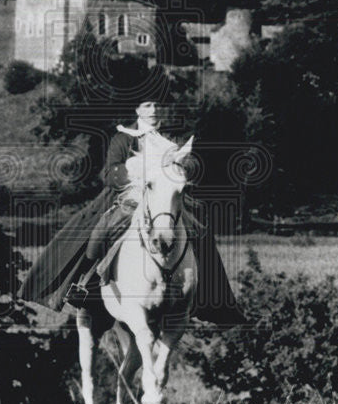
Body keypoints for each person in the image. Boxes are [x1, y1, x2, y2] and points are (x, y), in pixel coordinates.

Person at [18, 101, 244, 324]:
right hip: (130, 199)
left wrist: (183, 164)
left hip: (165, 200)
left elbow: (191, 165)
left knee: (200, 230)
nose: (154, 110)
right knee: (100, 230)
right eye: (147, 106)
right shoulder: (123, 138)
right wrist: (134, 168)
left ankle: (209, 297)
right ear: (137, 110)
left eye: (157, 105)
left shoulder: (169, 137)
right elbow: (109, 174)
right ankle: (82, 284)